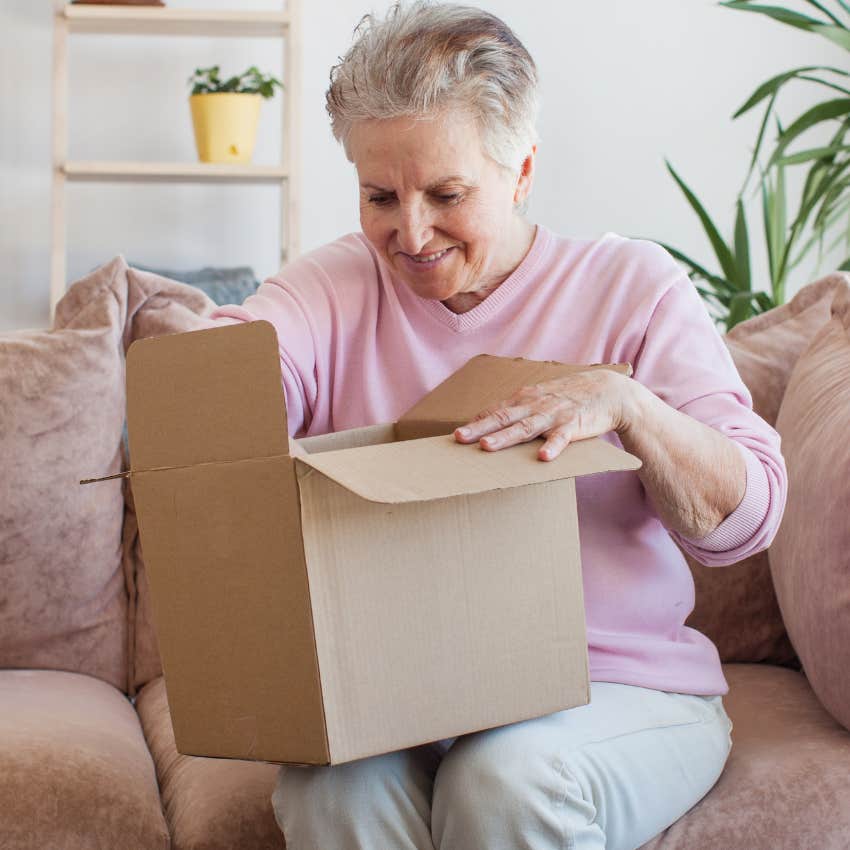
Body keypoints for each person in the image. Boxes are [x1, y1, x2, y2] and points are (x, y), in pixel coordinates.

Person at [205, 3, 787, 848]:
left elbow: (750, 514)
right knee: (328, 794)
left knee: (504, 777)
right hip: (407, 696)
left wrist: (629, 407)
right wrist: (223, 394)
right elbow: (226, 370)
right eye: (379, 195)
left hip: (612, 690)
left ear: (520, 172)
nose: (409, 233)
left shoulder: (632, 287)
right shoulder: (335, 286)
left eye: (447, 194)